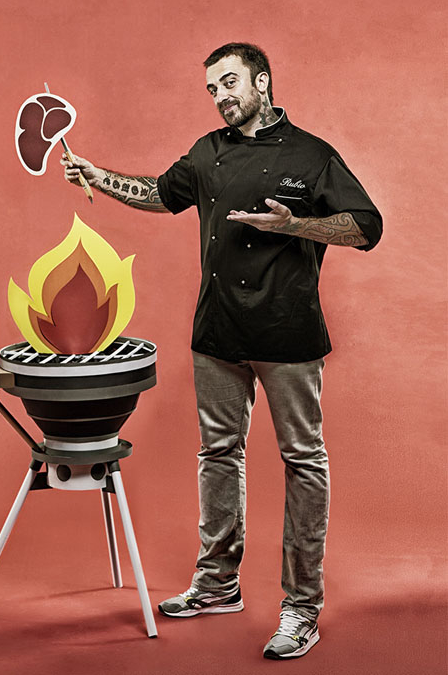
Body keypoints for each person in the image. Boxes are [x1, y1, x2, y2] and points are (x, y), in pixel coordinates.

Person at [61, 42, 383, 660]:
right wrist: (100, 177)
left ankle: (302, 607)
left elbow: (366, 227)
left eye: (229, 83)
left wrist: (296, 226)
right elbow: (161, 193)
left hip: (288, 333)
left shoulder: (311, 155)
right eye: (212, 88)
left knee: (303, 460)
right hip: (217, 333)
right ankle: (216, 584)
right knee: (218, 454)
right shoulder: (208, 150)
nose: (220, 97)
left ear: (261, 82)